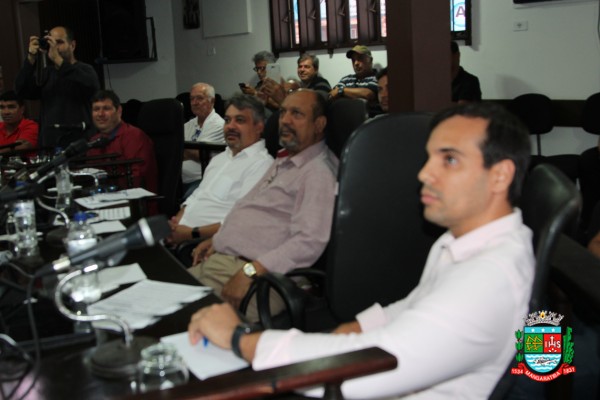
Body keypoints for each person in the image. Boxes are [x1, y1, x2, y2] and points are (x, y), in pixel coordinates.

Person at [188, 102, 535, 399]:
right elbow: (411, 308)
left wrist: (241, 339)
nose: (425, 173)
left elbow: (375, 365)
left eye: (450, 160)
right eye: (429, 157)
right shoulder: (462, 243)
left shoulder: (489, 279)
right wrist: (354, 328)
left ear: (500, 175)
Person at [189, 89, 339, 321]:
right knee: (152, 297)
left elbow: (309, 241)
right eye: (283, 112)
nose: (285, 120)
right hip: (224, 262)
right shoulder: (286, 160)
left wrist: (250, 271)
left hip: (260, 279)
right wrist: (218, 239)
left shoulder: (317, 173)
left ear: (319, 124)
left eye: (296, 114)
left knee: (168, 320)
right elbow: (249, 207)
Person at [168, 94, 273, 245]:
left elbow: (243, 220)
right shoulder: (220, 159)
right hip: (180, 236)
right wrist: (176, 223)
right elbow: (195, 198)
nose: (230, 126)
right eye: (227, 120)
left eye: (240, 120)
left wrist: (190, 233)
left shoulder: (261, 165)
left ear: (259, 127)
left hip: (206, 244)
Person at [15, 26, 100, 149]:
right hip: (50, 145)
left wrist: (57, 59)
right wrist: (31, 57)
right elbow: (21, 90)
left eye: (59, 42)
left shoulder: (85, 70)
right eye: (51, 42)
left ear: (72, 45)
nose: (54, 47)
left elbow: (87, 84)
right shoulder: (46, 73)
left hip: (80, 144)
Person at [86, 90, 158, 194]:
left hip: (135, 200)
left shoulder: (134, 136)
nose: (100, 114)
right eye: (96, 109)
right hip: (103, 198)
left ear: (119, 111)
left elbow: (137, 180)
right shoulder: (93, 142)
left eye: (106, 108)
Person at [182, 82, 226, 198]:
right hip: (180, 181)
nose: (194, 103)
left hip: (204, 180)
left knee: (189, 201)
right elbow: (173, 151)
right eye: (192, 99)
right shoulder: (188, 125)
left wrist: (182, 150)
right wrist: (186, 151)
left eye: (199, 98)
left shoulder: (218, 125)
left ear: (212, 101)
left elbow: (200, 153)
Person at [329, 44, 381, 116]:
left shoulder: (378, 78)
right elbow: (333, 94)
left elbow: (368, 94)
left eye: (360, 58)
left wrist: (342, 91)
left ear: (370, 60)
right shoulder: (346, 79)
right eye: (353, 60)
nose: (356, 63)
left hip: (370, 120)